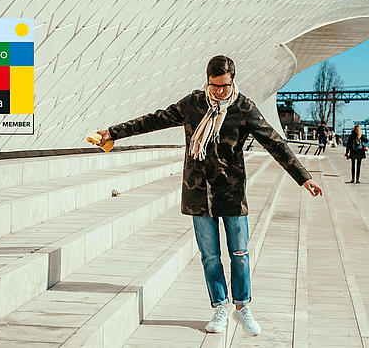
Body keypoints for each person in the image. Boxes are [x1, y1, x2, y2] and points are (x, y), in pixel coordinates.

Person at [93, 55, 323, 336]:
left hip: (232, 193)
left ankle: (243, 307)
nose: (220, 92)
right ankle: (219, 308)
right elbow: (154, 120)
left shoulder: (244, 108)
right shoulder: (193, 104)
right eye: (214, 86)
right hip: (198, 192)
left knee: (239, 253)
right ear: (208, 82)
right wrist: (113, 132)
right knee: (210, 256)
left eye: (225, 86)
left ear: (233, 81)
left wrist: (304, 178)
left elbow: (274, 142)